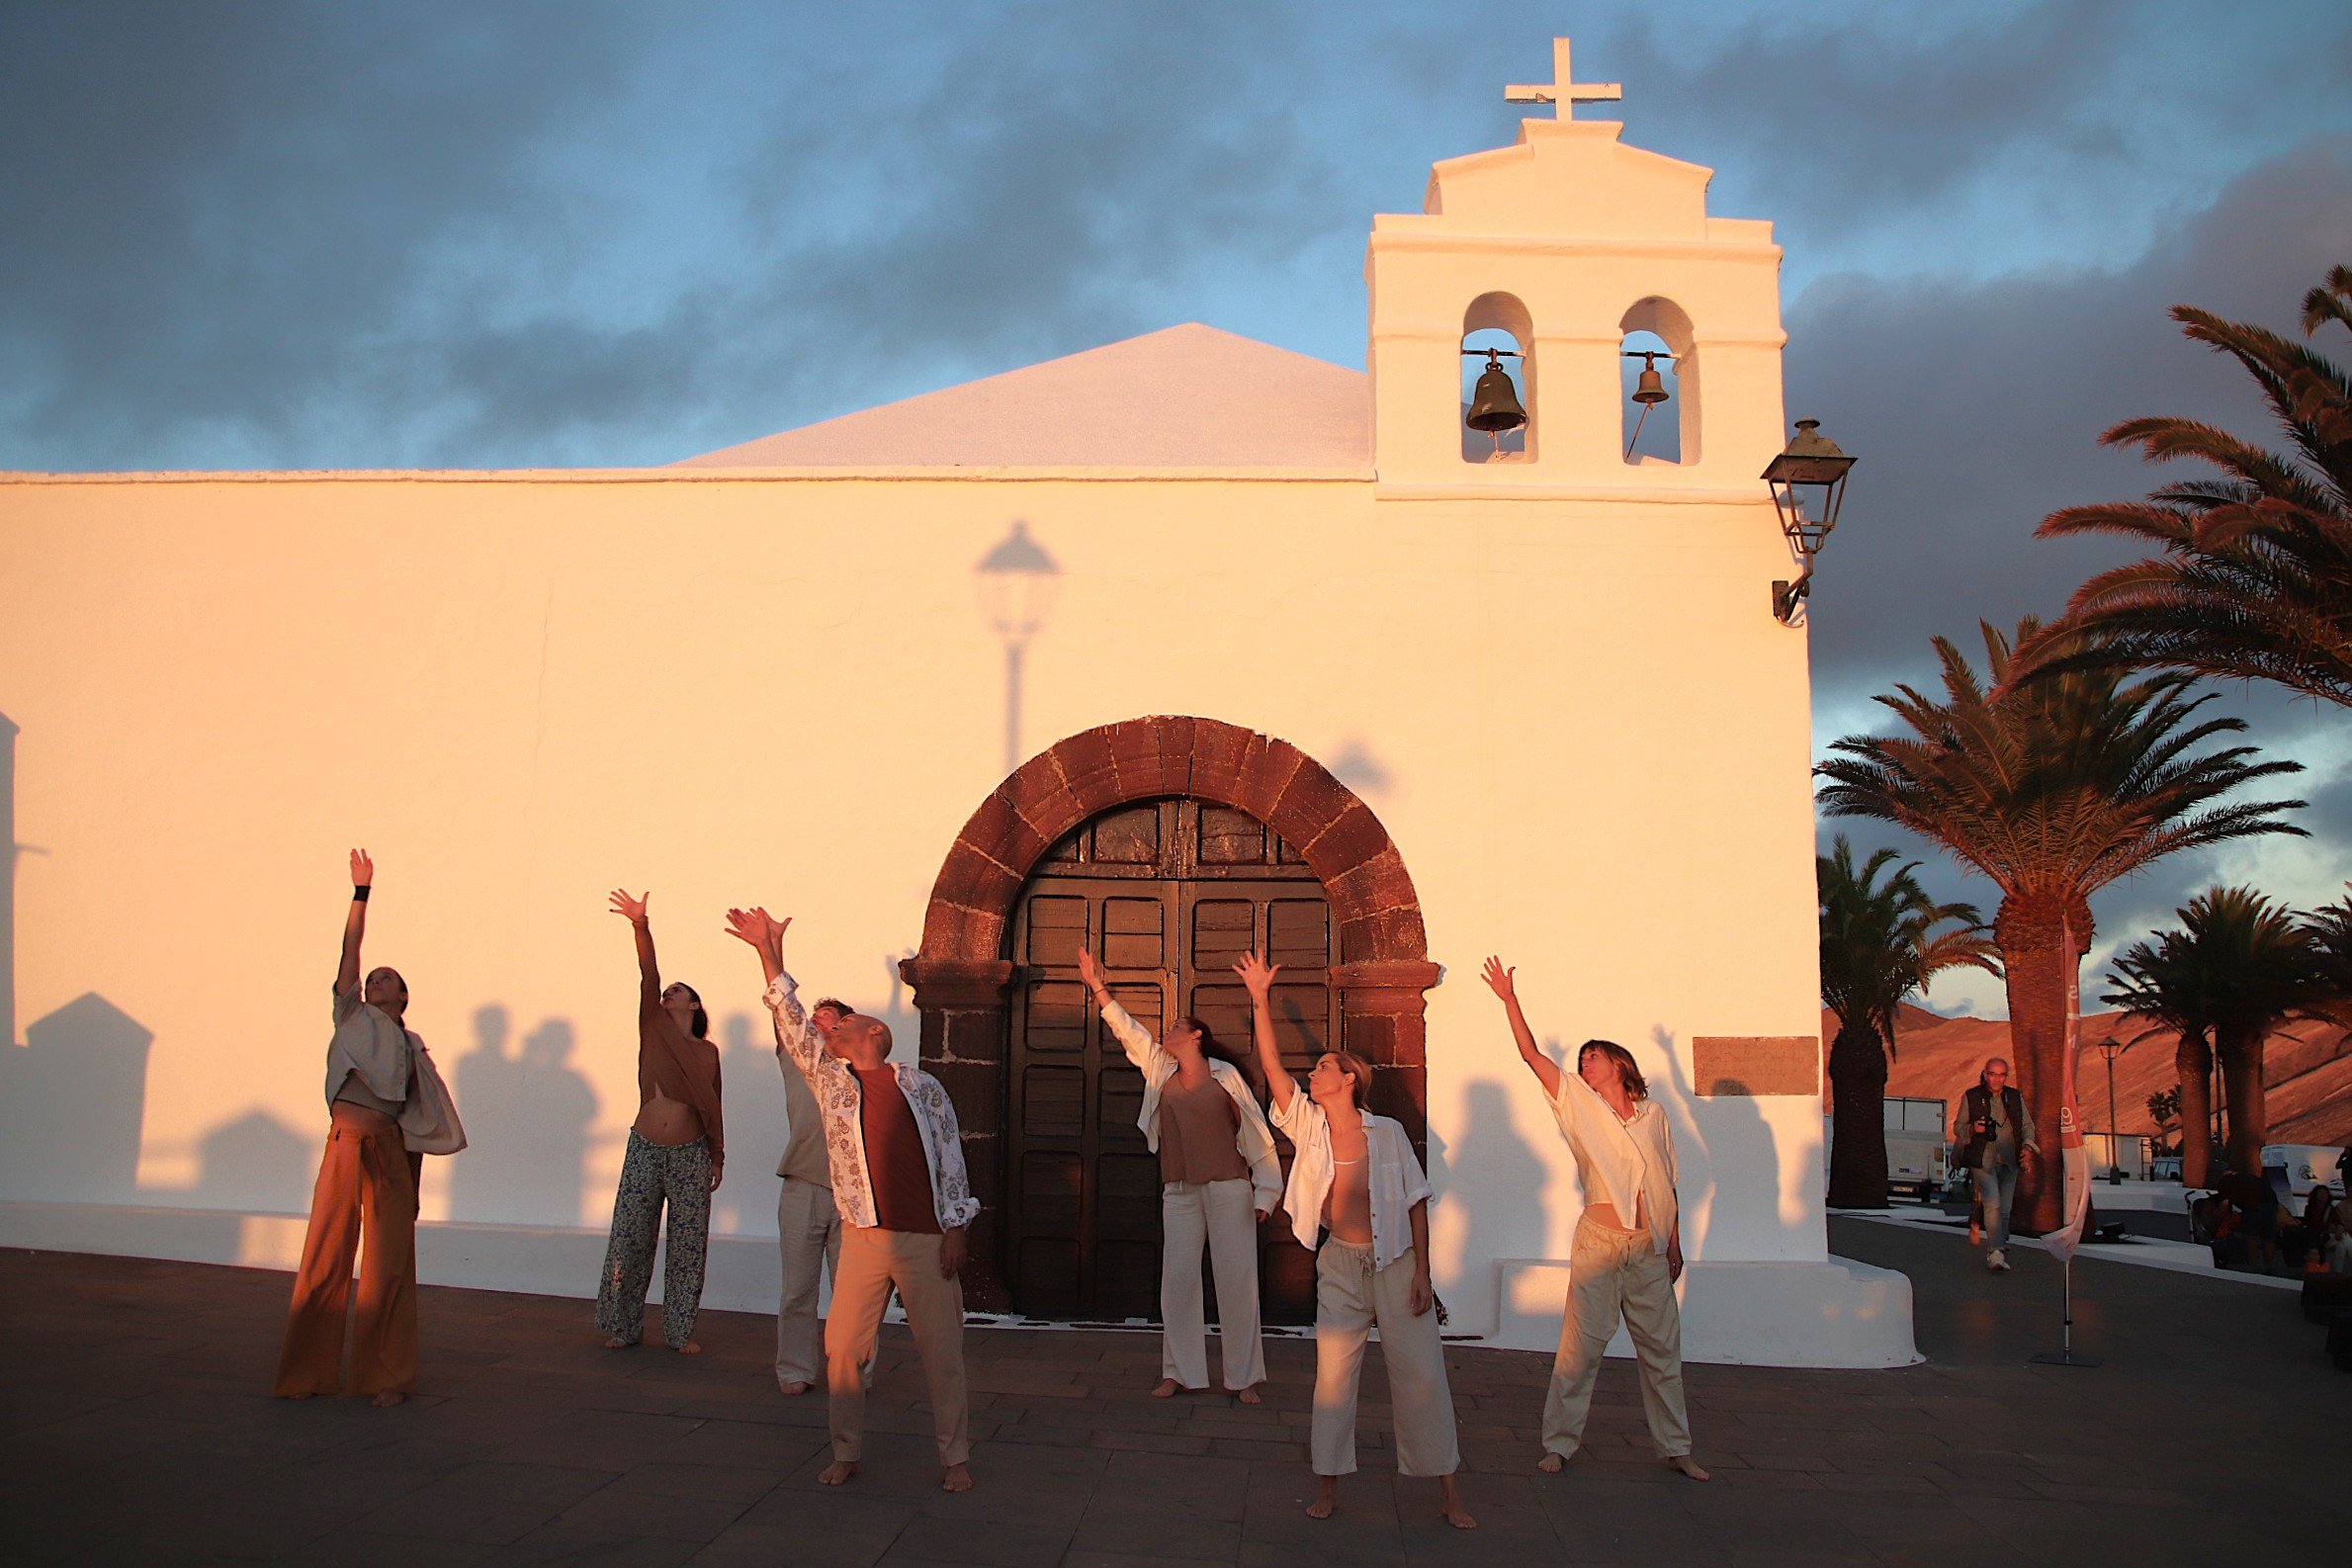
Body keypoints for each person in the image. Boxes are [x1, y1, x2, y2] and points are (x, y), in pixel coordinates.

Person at [729, 906, 980, 1493]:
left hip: (925, 1241)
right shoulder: (833, 1083)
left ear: (875, 1033)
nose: (834, 1028)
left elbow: (950, 1157)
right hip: (864, 1239)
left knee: (942, 1354)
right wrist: (767, 951)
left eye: (846, 1022)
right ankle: (846, 1450)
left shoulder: (921, 1085)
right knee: (841, 1349)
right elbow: (792, 1022)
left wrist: (956, 1228)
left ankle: (955, 1458)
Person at [1239, 949, 1473, 1530]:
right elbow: (1272, 1068)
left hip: (1396, 1266)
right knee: (1333, 1382)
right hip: (1340, 1267)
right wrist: (1260, 999)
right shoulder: (1308, 1126)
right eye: (1314, 1069)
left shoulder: (1386, 1133)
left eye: (1324, 1067)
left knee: (1421, 1377)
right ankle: (1328, 1485)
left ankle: (1449, 1492)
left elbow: (1416, 1202)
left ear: (1349, 1079)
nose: (1313, 1075)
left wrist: (1423, 1274)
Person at [1481, 958, 1709, 1482]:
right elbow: (1531, 1055)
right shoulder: (1577, 1105)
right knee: (1580, 1350)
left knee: (1663, 1352)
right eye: (1582, 1059)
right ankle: (1558, 1444)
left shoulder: (1654, 1116)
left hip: (1649, 1248)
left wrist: (1674, 1244)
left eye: (1594, 1056)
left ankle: (1676, 1447)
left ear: (1619, 1065)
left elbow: (1668, 1184)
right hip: (1600, 1244)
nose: (1585, 1064)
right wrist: (1510, 999)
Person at [273, 849, 466, 1405]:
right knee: (325, 1257)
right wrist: (361, 894)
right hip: (344, 1144)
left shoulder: (410, 1045)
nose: (377, 979)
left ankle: (385, 1378)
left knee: (389, 1267)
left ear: (403, 997)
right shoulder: (351, 1016)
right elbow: (350, 951)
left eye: (389, 979)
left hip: (388, 1151)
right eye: (374, 977)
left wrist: (413, 1185)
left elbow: (418, 1120)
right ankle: (306, 1375)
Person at [1076, 946, 1281, 1403]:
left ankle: (1244, 1378)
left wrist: (1266, 1194)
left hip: (1229, 1190)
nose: (1166, 1033)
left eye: (1175, 1028)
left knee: (1237, 1283)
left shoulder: (1225, 1076)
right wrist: (1097, 985)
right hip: (1180, 1191)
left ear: (1196, 1036)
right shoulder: (1160, 1070)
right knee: (1179, 1283)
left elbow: (1257, 1136)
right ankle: (1179, 1372)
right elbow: (1127, 1031)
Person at [595, 890, 725, 1352]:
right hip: (645, 1147)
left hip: (691, 1154)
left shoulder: (708, 1053)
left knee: (688, 1244)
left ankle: (679, 1331)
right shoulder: (652, 1026)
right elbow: (648, 973)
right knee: (629, 1238)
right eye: (668, 991)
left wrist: (717, 1157)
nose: (669, 993)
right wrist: (640, 925)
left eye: (679, 991)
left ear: (694, 1006)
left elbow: (714, 1105)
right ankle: (623, 1325)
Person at [774, 990, 854, 1396]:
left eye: (826, 1017)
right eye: (814, 1016)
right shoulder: (797, 1060)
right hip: (803, 1185)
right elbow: (782, 1012)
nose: (816, 1021)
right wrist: (771, 958)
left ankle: (853, 1370)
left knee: (852, 1294)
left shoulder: (861, 1073)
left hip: (851, 1196)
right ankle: (795, 1369)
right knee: (797, 1291)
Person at [1953, 1057, 2036, 1271]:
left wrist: (2027, 1147)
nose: (1997, 1079)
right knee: (1993, 1202)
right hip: (1982, 1159)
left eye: (2002, 1075)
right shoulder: (1972, 1096)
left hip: (2010, 1160)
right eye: (1993, 1074)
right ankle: (1995, 1252)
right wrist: (1973, 1129)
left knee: (2005, 1207)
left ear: (2006, 1076)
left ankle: (2000, 1241)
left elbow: (2027, 1125)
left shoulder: (2014, 1097)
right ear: (1985, 1074)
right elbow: (1958, 1127)